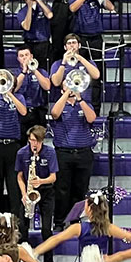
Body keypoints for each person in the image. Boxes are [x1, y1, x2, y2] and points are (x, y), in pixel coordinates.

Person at [50, 84, 97, 231]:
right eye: (67, 84)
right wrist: (66, 95)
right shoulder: (58, 103)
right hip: (63, 153)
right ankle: (59, 222)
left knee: (80, 189)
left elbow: (92, 118)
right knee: (62, 189)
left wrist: (80, 99)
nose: (71, 87)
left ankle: (75, 220)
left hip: (83, 153)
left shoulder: (84, 103)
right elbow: (55, 114)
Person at [15, 125, 58, 262]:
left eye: (37, 141)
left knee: (46, 229)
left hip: (46, 192)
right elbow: (20, 176)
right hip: (29, 192)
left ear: (42, 141)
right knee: (22, 228)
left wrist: (41, 181)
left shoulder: (50, 152)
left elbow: (53, 177)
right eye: (31, 140)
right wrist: (24, 195)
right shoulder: (22, 153)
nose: (34, 144)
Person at [0, 82, 27, 218]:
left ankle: (15, 219)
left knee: (14, 182)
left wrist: (10, 95)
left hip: (13, 144)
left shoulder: (19, 96)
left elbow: (23, 112)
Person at [51, 33, 102, 113]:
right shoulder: (57, 64)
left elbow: (96, 75)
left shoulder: (88, 62)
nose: (72, 46)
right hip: (64, 105)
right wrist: (64, 62)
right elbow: (56, 82)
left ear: (79, 45)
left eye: (74, 43)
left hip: (85, 102)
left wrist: (80, 58)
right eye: (69, 43)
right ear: (65, 47)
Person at [14, 45, 51, 134]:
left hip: (38, 110)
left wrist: (34, 70)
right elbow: (13, 89)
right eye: (21, 56)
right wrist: (24, 71)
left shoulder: (41, 71)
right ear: (18, 59)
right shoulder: (15, 73)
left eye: (26, 55)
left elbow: (47, 86)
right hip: (21, 111)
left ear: (31, 56)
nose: (24, 58)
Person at [16, 0, 53, 70]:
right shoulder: (22, 12)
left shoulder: (43, 7)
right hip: (29, 44)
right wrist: (29, 7)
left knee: (44, 68)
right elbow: (26, 27)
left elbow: (50, 15)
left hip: (43, 43)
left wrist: (37, 0)